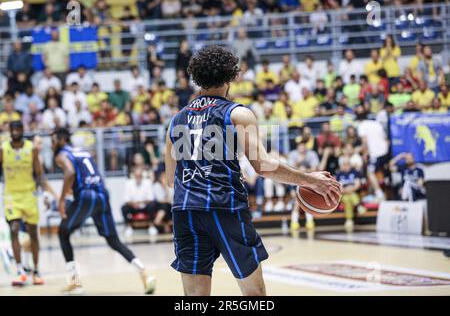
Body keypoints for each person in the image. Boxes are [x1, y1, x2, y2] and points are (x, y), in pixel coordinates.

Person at [164, 45, 341, 296]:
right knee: (254, 295)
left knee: (195, 298)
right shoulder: (237, 113)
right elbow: (264, 166)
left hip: (185, 211)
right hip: (224, 206)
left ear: (196, 77)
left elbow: (171, 179)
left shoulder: (176, 120)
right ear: (232, 76)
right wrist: (310, 180)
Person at [51, 128, 156, 295]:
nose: (51, 143)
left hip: (86, 196)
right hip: (102, 194)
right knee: (113, 240)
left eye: (53, 139)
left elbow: (70, 172)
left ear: (62, 140)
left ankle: (74, 283)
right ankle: (143, 272)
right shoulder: (82, 151)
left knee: (63, 233)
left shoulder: (61, 153)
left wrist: (62, 199)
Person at [0, 121, 56, 286]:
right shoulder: (3, 149)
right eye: (13, 129)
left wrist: (45, 193)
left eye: (18, 128)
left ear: (23, 130)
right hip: (11, 196)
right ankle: (19, 270)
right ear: (9, 131)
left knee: (33, 234)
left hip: (29, 195)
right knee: (14, 229)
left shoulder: (31, 148)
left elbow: (39, 174)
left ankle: (36, 270)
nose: (16, 131)